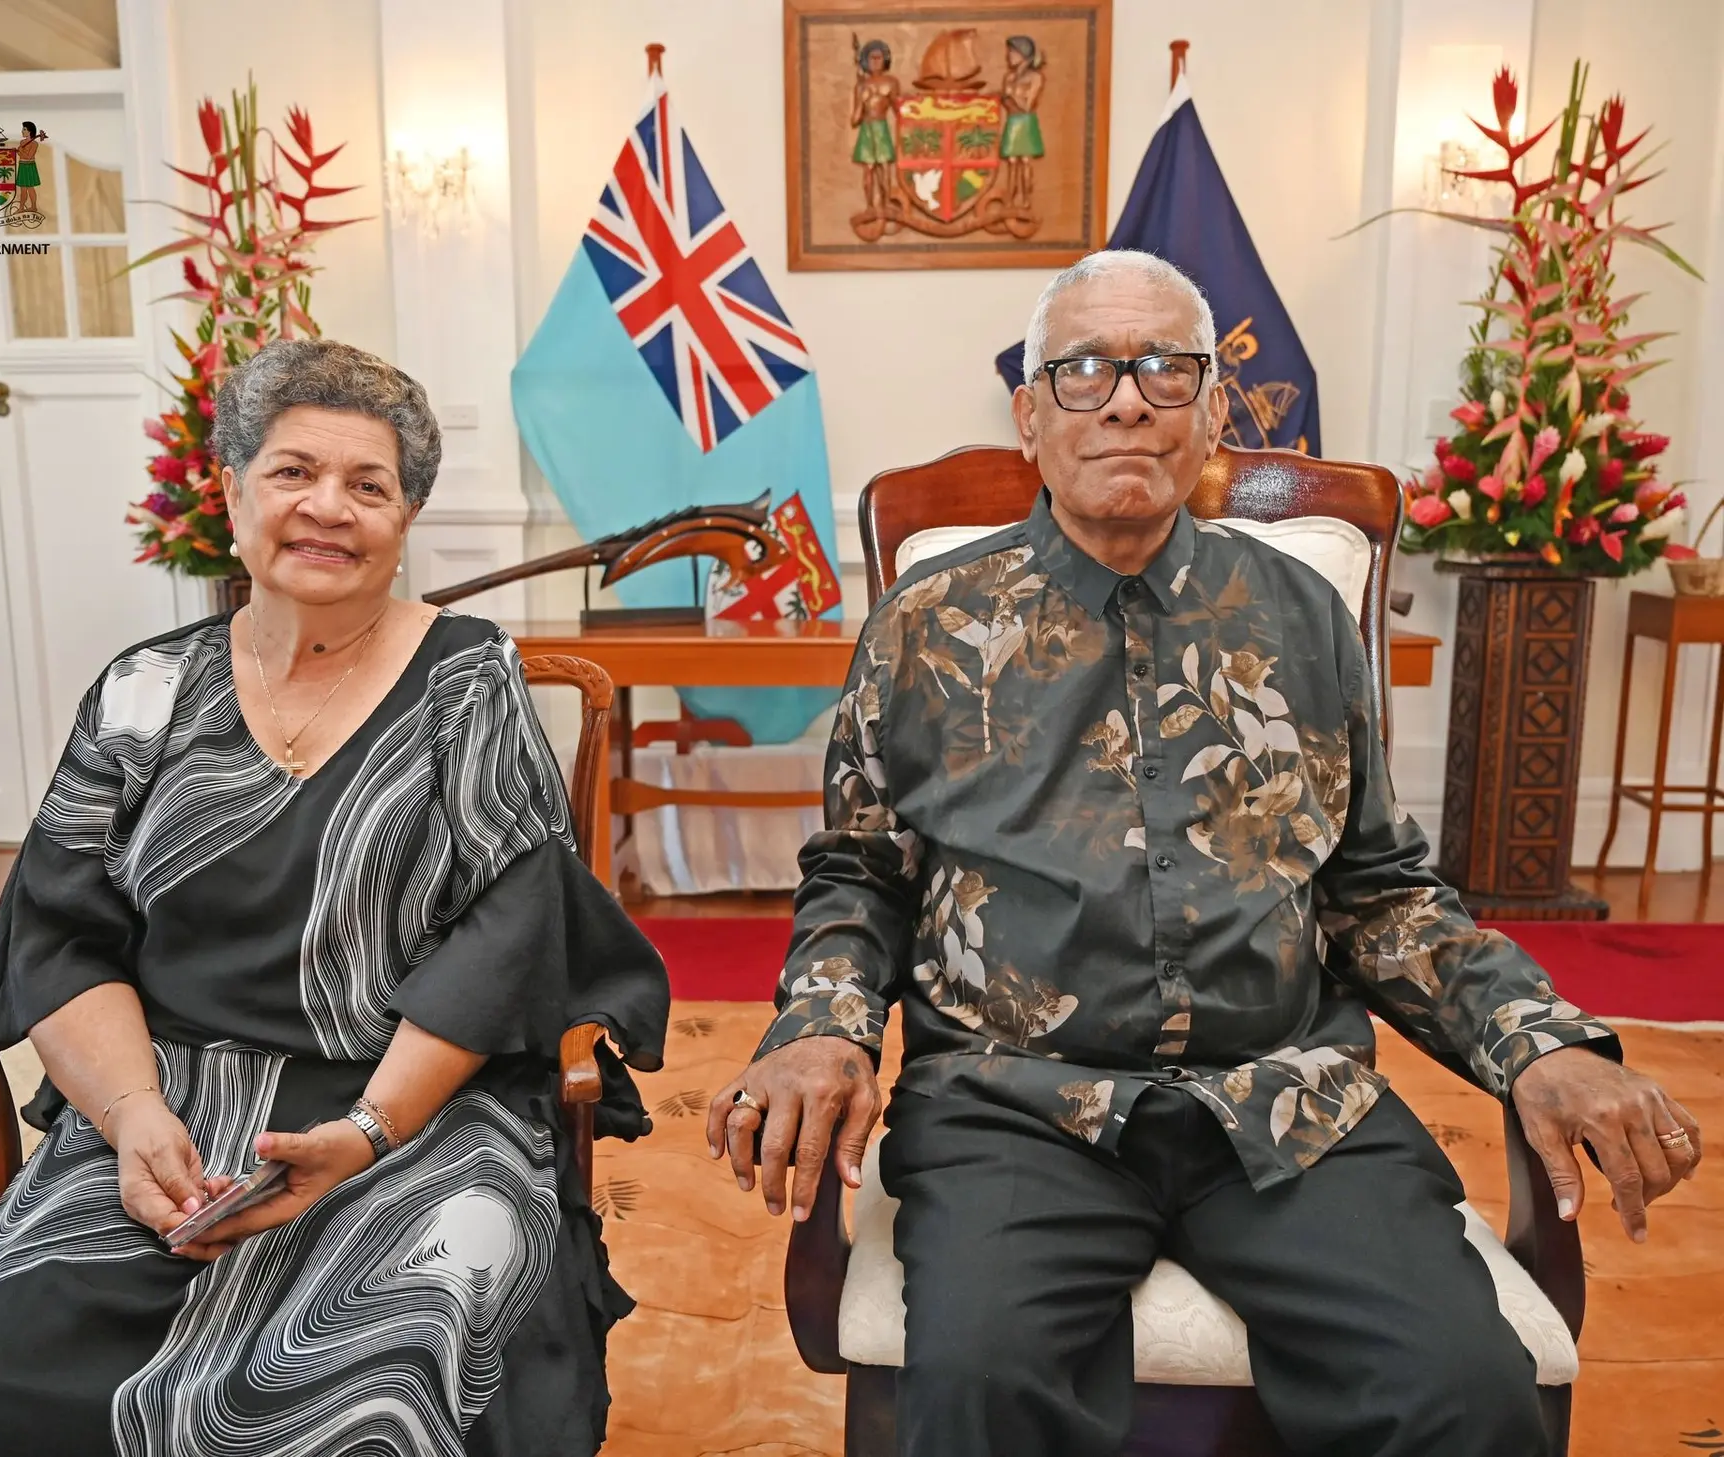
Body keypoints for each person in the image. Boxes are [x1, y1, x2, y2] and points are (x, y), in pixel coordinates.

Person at [707, 251, 1702, 1457]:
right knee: (977, 1390)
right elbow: (862, 871)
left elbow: (1380, 891)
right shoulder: (926, 626)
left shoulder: (1301, 617)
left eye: (1165, 368)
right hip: (1014, 1104)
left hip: (1286, 1099)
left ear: (1213, 409)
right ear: (1031, 416)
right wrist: (823, 1023)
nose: (1126, 397)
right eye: (1082, 369)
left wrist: (1538, 1042)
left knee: (1464, 1388)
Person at [0, 338, 669, 1457]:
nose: (328, 507)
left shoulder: (470, 682)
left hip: (413, 1109)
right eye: (292, 472)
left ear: (404, 517)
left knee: (388, 1359)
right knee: (10, 1357)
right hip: (168, 1103)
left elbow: (507, 937)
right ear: (232, 495)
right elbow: (64, 934)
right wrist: (132, 1121)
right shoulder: (142, 693)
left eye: (367, 485)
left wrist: (368, 1132)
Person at [850, 40, 899, 216]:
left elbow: (898, 109)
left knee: (885, 167)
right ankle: (870, 207)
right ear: (866, 60)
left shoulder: (891, 83)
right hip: (866, 129)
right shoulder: (861, 86)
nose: (876, 61)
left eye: (879, 57)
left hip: (881, 128)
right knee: (868, 169)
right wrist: (862, 102)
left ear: (885, 59)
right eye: (872, 58)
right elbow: (854, 120)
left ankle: (886, 203)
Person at [999, 35, 1045, 208]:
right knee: (1011, 161)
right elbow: (1007, 103)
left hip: (1025, 122)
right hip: (1012, 122)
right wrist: (1011, 97)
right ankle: (1010, 197)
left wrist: (1012, 95)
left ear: (1023, 54)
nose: (1008, 56)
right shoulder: (1009, 77)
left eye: (1012, 52)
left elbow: (1027, 106)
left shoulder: (1035, 78)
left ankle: (1026, 199)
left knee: (1025, 160)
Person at [13, 121, 47, 218]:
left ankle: (33, 207)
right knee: (23, 189)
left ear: (30, 131)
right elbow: (22, 154)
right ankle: (21, 207)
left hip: (29, 166)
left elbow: (29, 156)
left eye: (24, 129)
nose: (22, 131)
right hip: (22, 166)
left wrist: (19, 152)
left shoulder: (34, 144)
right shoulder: (22, 142)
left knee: (30, 188)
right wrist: (19, 151)